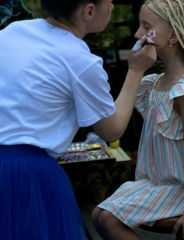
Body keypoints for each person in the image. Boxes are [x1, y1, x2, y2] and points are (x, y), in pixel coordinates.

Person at [0, 0, 156, 239]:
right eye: (109, 2)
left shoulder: (12, 31)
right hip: (28, 173)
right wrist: (135, 71)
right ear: (89, 11)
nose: (113, 6)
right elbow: (112, 130)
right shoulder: (81, 61)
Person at [91, 1, 184, 239]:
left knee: (107, 219)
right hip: (157, 182)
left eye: (146, 26)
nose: (137, 34)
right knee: (98, 215)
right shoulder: (156, 82)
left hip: (182, 188)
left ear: (174, 34)